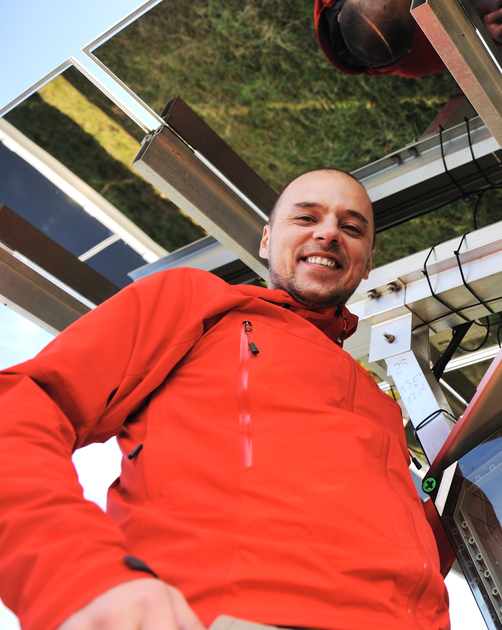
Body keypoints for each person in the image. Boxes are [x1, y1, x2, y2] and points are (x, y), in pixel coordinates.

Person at [0, 169, 453, 630]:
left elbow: (405, 555)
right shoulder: (195, 302)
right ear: (265, 240)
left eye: (352, 228)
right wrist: (75, 574)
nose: (329, 232)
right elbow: (21, 406)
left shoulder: (381, 406)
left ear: (367, 261)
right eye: (305, 218)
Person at [309, 0, 502, 78]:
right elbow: (469, 39)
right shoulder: (423, 58)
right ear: (415, 36)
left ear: (341, 14)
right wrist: (488, 35)